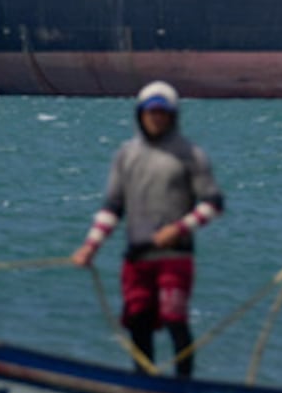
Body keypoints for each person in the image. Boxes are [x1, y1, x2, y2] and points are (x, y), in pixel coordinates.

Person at [71, 80, 223, 377]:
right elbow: (112, 207)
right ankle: (144, 386)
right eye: (151, 112)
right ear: (140, 114)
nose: (156, 118)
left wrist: (179, 228)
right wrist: (91, 246)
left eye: (162, 113)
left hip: (175, 256)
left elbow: (213, 202)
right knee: (138, 322)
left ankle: (183, 390)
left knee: (174, 320)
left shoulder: (190, 154)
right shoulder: (126, 155)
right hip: (137, 258)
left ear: (173, 115)